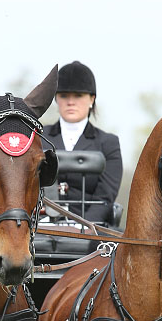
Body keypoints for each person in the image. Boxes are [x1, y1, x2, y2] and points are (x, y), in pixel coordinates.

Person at [44, 61, 123, 223]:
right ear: (56, 98)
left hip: (90, 227)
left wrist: (84, 227)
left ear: (92, 99)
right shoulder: (39, 137)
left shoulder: (108, 143)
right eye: (64, 95)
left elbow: (105, 195)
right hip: (40, 224)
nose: (70, 102)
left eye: (78, 96)